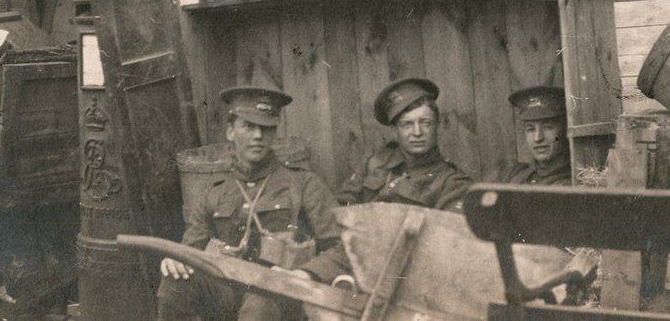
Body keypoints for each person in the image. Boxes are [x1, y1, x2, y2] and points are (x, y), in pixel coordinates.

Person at [156, 87, 346, 320]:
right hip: (225, 292)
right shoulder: (215, 192)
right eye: (248, 126)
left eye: (266, 128)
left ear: (274, 133)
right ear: (230, 131)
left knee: (260, 306)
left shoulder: (303, 184)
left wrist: (304, 274)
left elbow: (343, 247)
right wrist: (177, 259)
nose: (258, 135)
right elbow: (190, 250)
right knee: (174, 283)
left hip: (279, 295)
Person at [337, 77, 472, 211]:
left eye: (425, 122)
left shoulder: (452, 183)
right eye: (407, 124)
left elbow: (448, 230)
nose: (417, 132)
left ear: (437, 125)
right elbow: (342, 205)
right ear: (395, 131)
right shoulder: (374, 163)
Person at [484, 86, 572, 185]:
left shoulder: (573, 182)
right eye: (531, 129)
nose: (538, 138)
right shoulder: (518, 176)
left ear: (564, 130)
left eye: (548, 127)